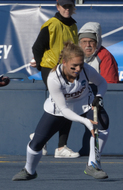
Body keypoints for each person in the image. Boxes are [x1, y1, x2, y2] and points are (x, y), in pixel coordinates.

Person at [12, 42, 109, 181]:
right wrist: (85, 121)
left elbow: (102, 83)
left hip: (85, 104)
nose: (78, 69)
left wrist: (99, 97)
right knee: (36, 144)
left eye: (80, 65)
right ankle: (29, 170)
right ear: (64, 62)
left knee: (103, 124)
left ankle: (93, 165)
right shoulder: (53, 78)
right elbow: (64, 110)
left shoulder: (86, 70)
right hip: (59, 110)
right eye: (73, 66)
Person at [31, 0, 79, 158]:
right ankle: (58, 146)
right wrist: (40, 66)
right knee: (63, 104)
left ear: (73, 8)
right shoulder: (51, 24)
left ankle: (42, 139)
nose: (66, 9)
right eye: (63, 6)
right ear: (58, 7)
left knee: (65, 104)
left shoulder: (73, 25)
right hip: (50, 69)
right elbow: (37, 47)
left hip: (66, 71)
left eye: (69, 6)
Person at [77, 22, 118, 159]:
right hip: (76, 95)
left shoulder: (105, 56)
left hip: (95, 97)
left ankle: (94, 155)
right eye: (84, 42)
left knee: (101, 123)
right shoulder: (75, 55)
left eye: (91, 42)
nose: (87, 45)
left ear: (97, 42)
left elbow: (110, 82)